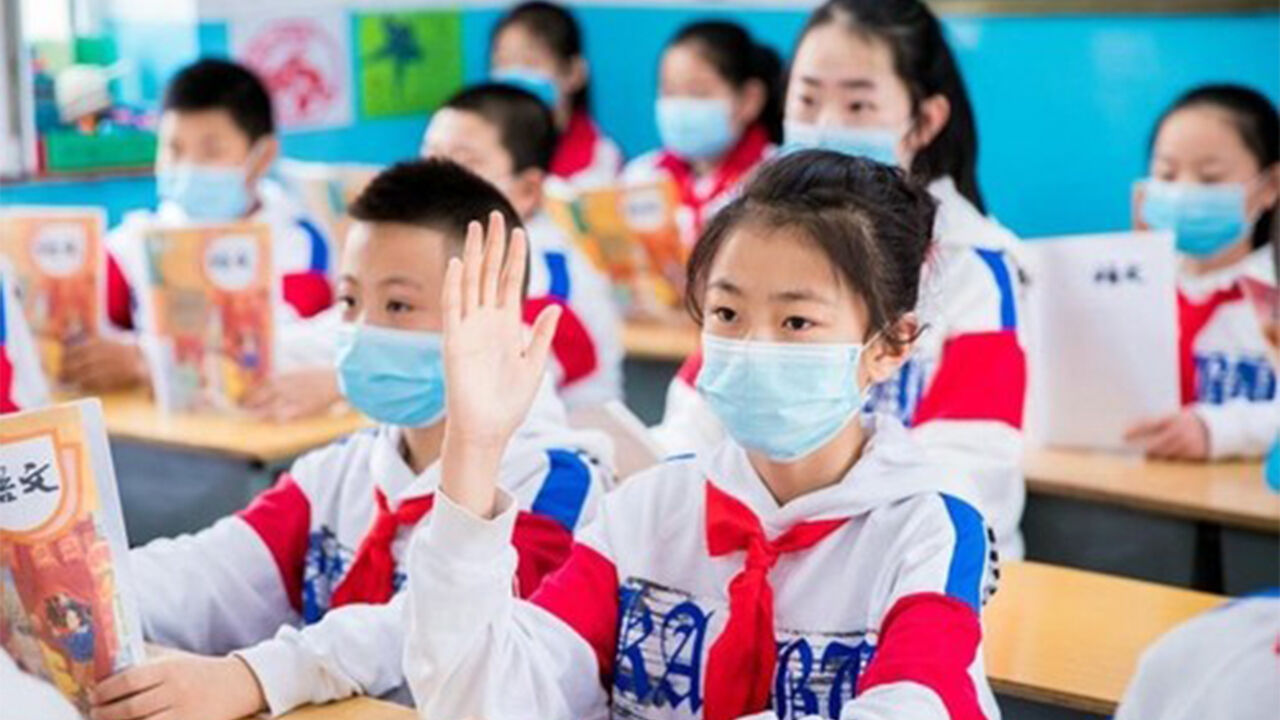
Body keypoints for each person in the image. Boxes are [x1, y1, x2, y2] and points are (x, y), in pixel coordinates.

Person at [404, 151, 1001, 720]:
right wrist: (474, 447)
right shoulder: (649, 509)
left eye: (796, 321)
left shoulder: (926, 529)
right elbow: (481, 699)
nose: (753, 345)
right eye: (726, 314)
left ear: (890, 345)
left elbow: (917, 706)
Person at [87, 160, 613, 720]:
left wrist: (256, 676)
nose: (362, 329)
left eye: (398, 306)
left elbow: (435, 629)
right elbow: (211, 571)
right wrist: (91, 590)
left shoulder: (558, 486)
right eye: (348, 301)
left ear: (494, 321)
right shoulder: (343, 469)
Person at [655, 0, 1028, 560]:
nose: (826, 126)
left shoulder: (974, 265)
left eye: (858, 104)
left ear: (925, 120)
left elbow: (973, 468)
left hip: (903, 557)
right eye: (807, 100)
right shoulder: (757, 238)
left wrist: (816, 531)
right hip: (759, 547)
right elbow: (696, 419)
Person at [63, 58, 336, 419]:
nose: (187, 167)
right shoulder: (135, 240)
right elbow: (82, 324)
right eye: (174, 149)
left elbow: (275, 349)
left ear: (263, 156)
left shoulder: (299, 244)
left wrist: (144, 360)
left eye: (211, 150)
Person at [422, 83, 623, 408]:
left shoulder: (551, 276)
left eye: (463, 164)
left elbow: (490, 379)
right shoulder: (447, 250)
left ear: (527, 189)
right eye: (430, 158)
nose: (435, 179)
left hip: (557, 438)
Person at [1126, 84, 1278, 461]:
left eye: (1210, 178)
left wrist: (1218, 431)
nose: (1183, 192)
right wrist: (1136, 266)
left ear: (1270, 186)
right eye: (1167, 174)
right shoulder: (1133, 285)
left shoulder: (1271, 294)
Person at [623, 20, 782, 248]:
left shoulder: (775, 178)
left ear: (750, 99)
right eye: (669, 91)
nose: (680, 107)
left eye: (698, 92)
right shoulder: (642, 176)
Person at [490, 1, 622, 189]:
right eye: (502, 63)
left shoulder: (601, 159)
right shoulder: (484, 151)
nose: (514, 76)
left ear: (574, 72)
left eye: (530, 63)